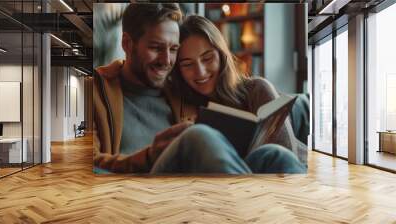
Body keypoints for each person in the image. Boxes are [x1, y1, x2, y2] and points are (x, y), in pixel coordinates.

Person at [94, 4, 306, 174]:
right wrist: (147, 157)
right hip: (143, 190)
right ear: (127, 44)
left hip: (194, 186)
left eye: (173, 49)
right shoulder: (96, 90)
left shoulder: (181, 92)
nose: (166, 60)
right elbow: (88, 164)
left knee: (274, 155)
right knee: (198, 136)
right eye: (155, 48)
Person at [169, 15, 307, 168]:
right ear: (178, 70)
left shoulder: (257, 88)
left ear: (221, 55)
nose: (200, 72)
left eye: (207, 59)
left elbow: (286, 154)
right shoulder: (181, 103)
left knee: (274, 153)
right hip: (239, 178)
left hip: (293, 169)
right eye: (187, 64)